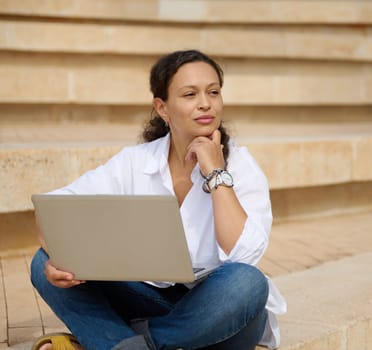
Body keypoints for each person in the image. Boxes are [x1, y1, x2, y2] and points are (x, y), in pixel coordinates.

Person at [30, 49, 286, 350]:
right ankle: (135, 345)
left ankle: (118, 344)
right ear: (162, 108)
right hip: (149, 300)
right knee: (42, 263)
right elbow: (56, 210)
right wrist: (58, 260)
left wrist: (216, 172)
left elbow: (244, 255)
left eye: (213, 92)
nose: (206, 103)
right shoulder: (135, 162)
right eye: (190, 94)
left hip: (218, 314)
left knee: (248, 282)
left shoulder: (241, 166)